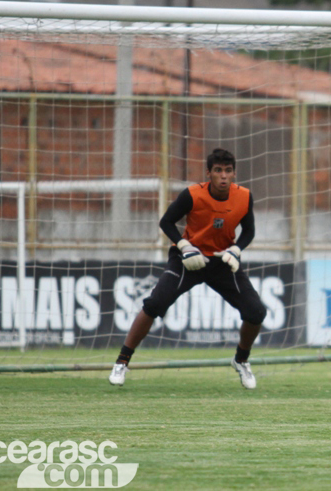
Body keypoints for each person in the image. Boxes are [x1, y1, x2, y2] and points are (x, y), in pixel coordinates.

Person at [108, 148, 266, 390]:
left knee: (256, 312)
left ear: (234, 174)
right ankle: (122, 361)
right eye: (218, 171)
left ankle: (241, 360)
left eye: (228, 171)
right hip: (189, 260)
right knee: (155, 304)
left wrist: (236, 250)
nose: (223, 176)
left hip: (222, 261)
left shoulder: (244, 196)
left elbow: (250, 230)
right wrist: (184, 246)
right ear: (208, 174)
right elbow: (166, 221)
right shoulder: (192, 195)